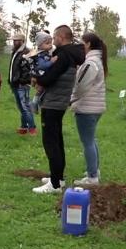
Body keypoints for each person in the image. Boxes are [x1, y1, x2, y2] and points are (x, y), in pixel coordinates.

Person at [32, 25, 85, 194]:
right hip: (59, 102)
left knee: (51, 142)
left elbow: (48, 78)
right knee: (57, 140)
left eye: (54, 38)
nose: (53, 42)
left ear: (61, 37)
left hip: (53, 103)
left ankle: (54, 184)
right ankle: (58, 178)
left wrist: (37, 79)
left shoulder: (63, 55)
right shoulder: (72, 54)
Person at [70, 32, 108, 186]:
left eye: (81, 43)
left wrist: (72, 99)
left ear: (88, 45)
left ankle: (92, 177)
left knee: (87, 142)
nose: (80, 46)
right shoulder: (97, 60)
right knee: (91, 140)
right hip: (95, 107)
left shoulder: (90, 63)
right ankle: (94, 170)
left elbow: (81, 85)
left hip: (87, 108)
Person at [8, 34, 35, 135]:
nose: (14, 42)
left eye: (16, 40)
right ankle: (24, 127)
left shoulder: (26, 53)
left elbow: (28, 70)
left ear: (22, 41)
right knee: (21, 107)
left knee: (25, 107)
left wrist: (21, 81)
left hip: (21, 85)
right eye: (13, 40)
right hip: (15, 84)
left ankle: (32, 128)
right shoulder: (15, 52)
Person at [28, 32, 56, 114]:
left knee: (41, 91)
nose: (50, 45)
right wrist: (51, 61)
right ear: (40, 45)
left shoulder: (45, 53)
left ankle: (36, 104)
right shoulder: (41, 55)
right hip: (40, 75)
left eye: (50, 43)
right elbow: (42, 66)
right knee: (41, 90)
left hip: (39, 75)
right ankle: (34, 104)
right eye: (47, 43)